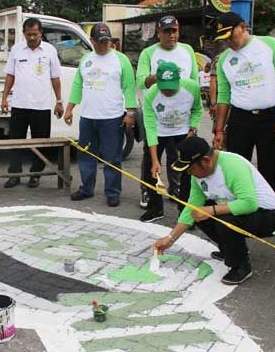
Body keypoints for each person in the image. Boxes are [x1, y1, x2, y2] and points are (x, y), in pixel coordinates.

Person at [154, 136, 275, 285]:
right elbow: (191, 208)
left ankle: (241, 266)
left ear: (206, 161)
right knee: (197, 213)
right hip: (236, 210)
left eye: (190, 168)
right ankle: (230, 250)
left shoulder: (232, 165)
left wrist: (211, 210)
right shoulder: (198, 175)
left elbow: (249, 204)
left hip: (266, 215)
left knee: (222, 220)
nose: (188, 173)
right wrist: (170, 239)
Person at [214, 12, 275, 201]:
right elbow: (224, 96)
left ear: (242, 26)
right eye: (225, 39)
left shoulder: (269, 45)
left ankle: (270, 211)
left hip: (270, 117)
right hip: (240, 118)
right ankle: (240, 208)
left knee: (270, 168)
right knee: (238, 167)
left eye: (231, 36)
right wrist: (219, 129)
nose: (229, 42)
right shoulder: (224, 59)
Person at [64, 23, 137, 207]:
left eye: (108, 41)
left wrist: (130, 113)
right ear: (92, 41)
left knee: (112, 157)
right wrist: (70, 108)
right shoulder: (86, 59)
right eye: (101, 42)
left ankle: (112, 192)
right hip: (88, 117)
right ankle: (86, 188)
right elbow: (77, 85)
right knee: (86, 154)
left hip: (112, 117)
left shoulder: (121, 60)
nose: (105, 45)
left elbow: (129, 87)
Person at [136, 15, 199, 206]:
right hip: (157, 113)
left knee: (179, 155)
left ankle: (176, 188)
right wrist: (161, 77)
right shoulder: (148, 53)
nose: (171, 35)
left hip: (181, 114)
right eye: (167, 31)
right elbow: (140, 81)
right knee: (151, 155)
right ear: (158, 33)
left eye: (175, 31)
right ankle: (148, 190)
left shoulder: (187, 50)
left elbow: (194, 79)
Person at [1, 18, 63, 189]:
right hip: (19, 104)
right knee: (15, 142)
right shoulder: (16, 50)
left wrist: (59, 101)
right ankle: (15, 175)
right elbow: (10, 75)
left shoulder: (50, 51)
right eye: (28, 34)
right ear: (24, 33)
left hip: (41, 106)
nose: (32, 38)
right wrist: (4, 97)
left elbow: (55, 77)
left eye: (35, 34)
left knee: (41, 143)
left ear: (41, 33)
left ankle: (35, 175)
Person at [141, 61, 203, 222]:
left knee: (189, 171)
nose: (168, 91)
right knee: (150, 169)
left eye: (171, 87)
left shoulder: (191, 88)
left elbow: (197, 109)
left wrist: (193, 128)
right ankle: (155, 208)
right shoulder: (150, 95)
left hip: (183, 132)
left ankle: (185, 211)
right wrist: (155, 161)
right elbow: (150, 129)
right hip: (159, 131)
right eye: (164, 87)